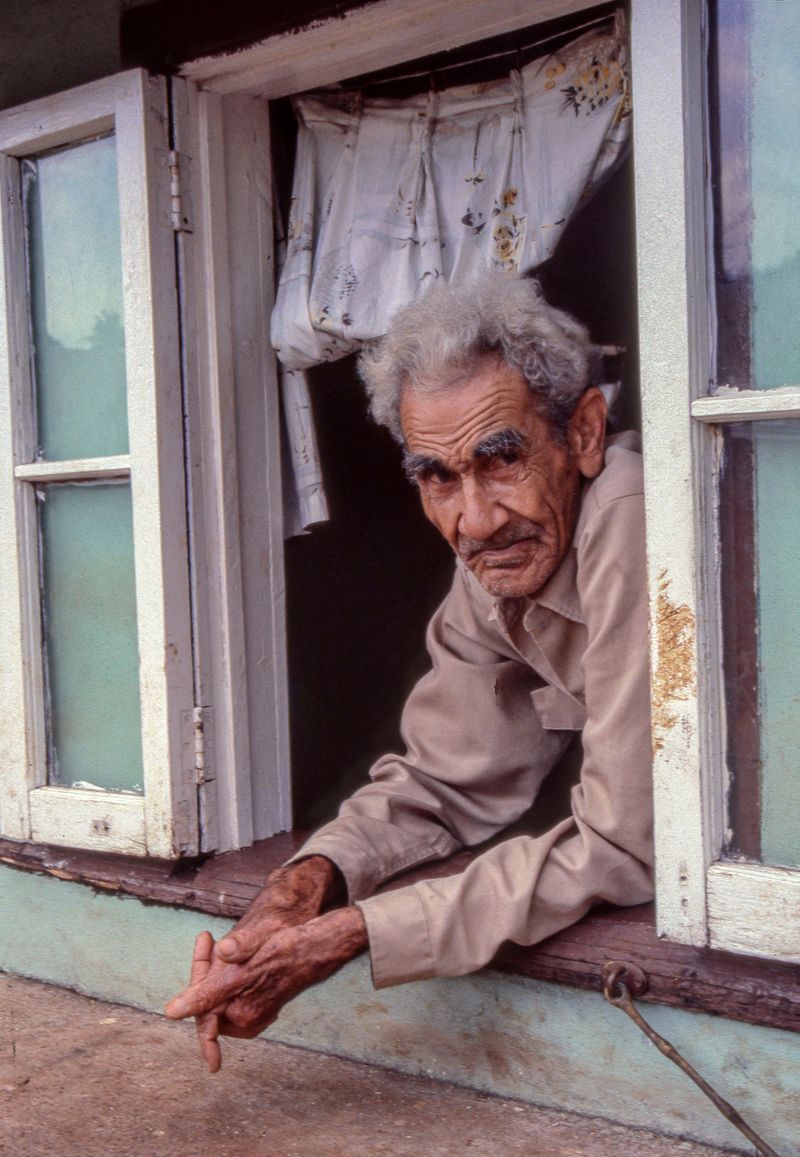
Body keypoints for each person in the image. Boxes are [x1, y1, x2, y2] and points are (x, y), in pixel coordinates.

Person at [165, 273, 654, 1072]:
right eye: (437, 477)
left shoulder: (630, 518)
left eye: (503, 460)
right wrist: (298, 890)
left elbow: (626, 843)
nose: (475, 520)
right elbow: (447, 778)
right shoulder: (498, 561)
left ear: (586, 434)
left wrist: (356, 933)